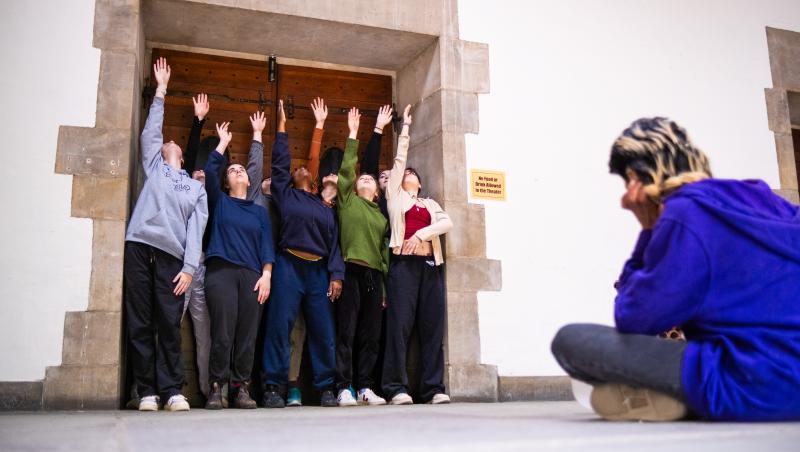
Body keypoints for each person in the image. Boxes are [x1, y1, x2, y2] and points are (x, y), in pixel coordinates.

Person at [550, 117, 800, 422]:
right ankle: (668, 396)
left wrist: (648, 230)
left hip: (746, 385)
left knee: (571, 341)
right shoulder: (770, 200)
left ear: (637, 177)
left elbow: (635, 318)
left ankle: (679, 399)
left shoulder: (684, 213)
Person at [124, 57, 208, 412]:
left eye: (174, 143)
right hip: (140, 246)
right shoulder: (155, 166)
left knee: (168, 323)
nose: (167, 141)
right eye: (164, 142)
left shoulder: (193, 187)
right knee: (140, 319)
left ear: (183, 160)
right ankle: (146, 392)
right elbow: (151, 134)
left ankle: (173, 390)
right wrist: (161, 90)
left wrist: (190, 267)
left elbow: (196, 228)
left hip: (174, 258)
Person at [262, 100, 345, 408]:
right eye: (294, 169)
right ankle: (273, 386)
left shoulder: (324, 206)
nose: (297, 169)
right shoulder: (285, 194)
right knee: (279, 325)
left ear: (312, 178)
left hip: (318, 271)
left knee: (323, 329)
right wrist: (281, 126)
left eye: (302, 168)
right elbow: (281, 163)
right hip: (288, 265)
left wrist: (336, 274)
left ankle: (325, 387)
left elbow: (335, 242)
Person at [381, 105, 453, 405]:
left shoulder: (430, 203)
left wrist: (420, 234)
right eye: (405, 173)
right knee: (399, 327)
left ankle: (433, 388)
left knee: (432, 328)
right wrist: (405, 128)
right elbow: (399, 161)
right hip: (403, 267)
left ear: (420, 183)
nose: (408, 173)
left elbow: (446, 223)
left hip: (429, 267)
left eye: (413, 174)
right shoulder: (396, 197)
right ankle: (395, 388)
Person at [203, 115, 275, 410]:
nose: (236, 172)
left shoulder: (259, 211)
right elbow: (209, 172)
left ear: (248, 179)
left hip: (252, 275)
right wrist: (223, 144)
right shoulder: (219, 201)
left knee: (247, 333)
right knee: (222, 332)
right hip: (221, 271)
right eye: (232, 170)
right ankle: (216, 387)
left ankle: (241, 387)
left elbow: (267, 246)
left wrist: (267, 275)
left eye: (241, 169)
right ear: (228, 180)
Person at [334, 108, 391, 406]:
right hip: (350, 271)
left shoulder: (381, 218)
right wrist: (353, 135)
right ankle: (344, 386)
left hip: (373, 278)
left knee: (371, 334)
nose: (366, 180)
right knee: (346, 331)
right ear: (355, 187)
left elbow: (384, 256)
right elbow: (346, 171)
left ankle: (366, 387)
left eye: (371, 179)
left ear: (377, 192)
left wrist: (383, 289)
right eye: (362, 179)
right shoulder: (347, 203)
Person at [180, 93, 213, 401]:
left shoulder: (213, 198)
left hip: (205, 268)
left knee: (205, 334)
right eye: (195, 171)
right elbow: (191, 157)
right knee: (167, 323)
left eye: (205, 172)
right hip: (180, 266)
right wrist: (198, 121)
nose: (200, 173)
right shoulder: (185, 192)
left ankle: (208, 391)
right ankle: (155, 387)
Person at [359, 104, 394, 220]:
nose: (386, 177)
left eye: (391, 175)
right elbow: (371, 161)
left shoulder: (403, 200)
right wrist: (379, 127)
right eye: (382, 175)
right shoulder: (375, 199)